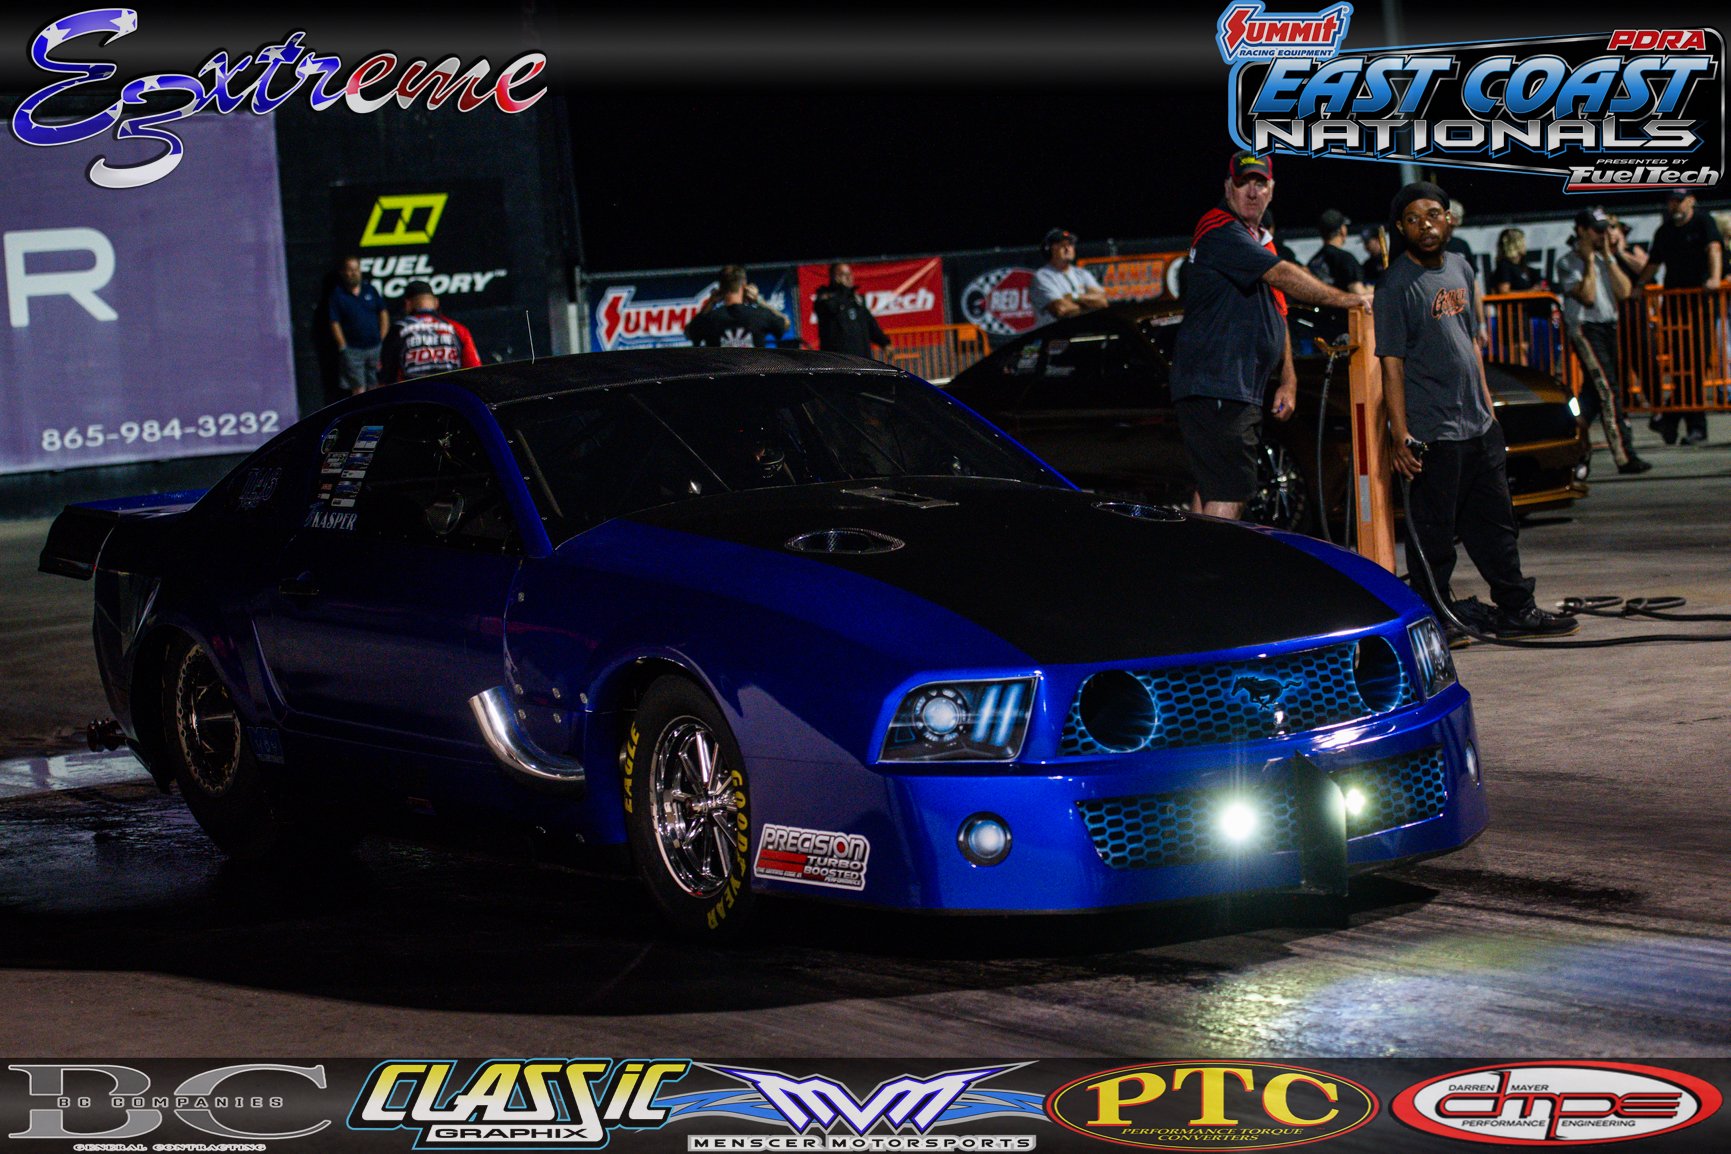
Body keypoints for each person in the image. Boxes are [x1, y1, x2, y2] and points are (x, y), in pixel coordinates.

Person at [1376, 181, 1577, 642]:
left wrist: (1489, 411)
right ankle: (1436, 619)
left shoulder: (1462, 268)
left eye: (1433, 215)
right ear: (1401, 229)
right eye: (1412, 219)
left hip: (1478, 426)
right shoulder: (1394, 285)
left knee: (1496, 527)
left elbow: (1470, 343)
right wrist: (1400, 434)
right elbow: (1391, 364)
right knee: (1435, 536)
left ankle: (1517, 608)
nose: (1425, 225)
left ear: (1448, 219)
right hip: (1433, 431)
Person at [1168, 149, 1373, 520]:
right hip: (1218, 384)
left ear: (1272, 190)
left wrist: (1289, 380)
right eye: (1243, 183)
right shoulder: (1219, 228)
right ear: (1228, 188)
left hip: (1230, 385)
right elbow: (1282, 275)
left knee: (1213, 485)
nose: (1252, 191)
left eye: (1260, 183)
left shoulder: (1258, 240)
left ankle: (1196, 554)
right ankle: (1214, 559)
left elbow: (1278, 311)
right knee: (1230, 489)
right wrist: (1351, 299)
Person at [1555, 206, 1650, 475]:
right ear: (1582, 231)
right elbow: (1587, 296)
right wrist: (1588, 262)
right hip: (1586, 328)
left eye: (1605, 229)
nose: (1602, 235)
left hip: (1608, 326)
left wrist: (1608, 256)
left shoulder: (1605, 259)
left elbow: (1625, 291)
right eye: (1597, 230)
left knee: (1593, 396)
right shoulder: (1567, 262)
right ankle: (1624, 455)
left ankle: (1570, 441)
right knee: (1608, 390)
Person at [1640, 192, 1723, 444]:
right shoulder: (1665, 231)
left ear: (1691, 200)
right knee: (1681, 366)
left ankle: (1676, 418)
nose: (1674, 205)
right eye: (1671, 201)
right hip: (1675, 306)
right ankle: (1677, 420)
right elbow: (1653, 263)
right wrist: (1637, 286)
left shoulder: (1703, 221)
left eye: (1679, 200)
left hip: (1700, 306)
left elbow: (1714, 249)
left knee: (1696, 364)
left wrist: (1714, 278)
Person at [379, 281, 482, 383]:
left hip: (413, 392)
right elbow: (474, 369)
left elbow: (387, 376)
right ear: (436, 303)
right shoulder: (458, 329)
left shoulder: (398, 330)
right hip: (450, 390)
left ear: (408, 304)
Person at [1305, 208, 1370, 347]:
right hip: (1345, 331)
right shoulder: (1345, 258)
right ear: (1342, 230)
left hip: (1319, 332)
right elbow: (1358, 293)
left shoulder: (1313, 262)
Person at [684, 264, 790, 348]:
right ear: (744, 286)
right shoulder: (760, 315)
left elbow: (689, 332)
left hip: (721, 370)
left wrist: (710, 303)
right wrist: (759, 301)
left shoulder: (710, 319)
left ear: (721, 288)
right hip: (754, 370)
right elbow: (785, 324)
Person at [327, 255, 389, 395]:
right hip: (353, 350)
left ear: (360, 271)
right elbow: (334, 322)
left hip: (375, 347)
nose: (352, 273)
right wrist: (343, 346)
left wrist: (382, 337)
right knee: (358, 389)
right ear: (343, 272)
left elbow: (383, 313)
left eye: (355, 270)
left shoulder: (370, 290)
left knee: (375, 385)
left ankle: (377, 408)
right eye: (349, 270)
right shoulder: (337, 295)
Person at [1028, 228, 1108, 328]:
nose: (1067, 248)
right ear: (1049, 249)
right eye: (1062, 245)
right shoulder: (1043, 276)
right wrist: (1089, 306)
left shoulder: (1082, 273)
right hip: (1056, 333)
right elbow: (1062, 309)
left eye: (1070, 245)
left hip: (1083, 331)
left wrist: (1073, 297)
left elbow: (1103, 302)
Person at [812, 263, 891, 357]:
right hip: (839, 357)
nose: (849, 278)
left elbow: (869, 322)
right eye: (844, 274)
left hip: (861, 356)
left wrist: (884, 342)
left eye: (850, 274)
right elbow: (831, 309)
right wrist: (841, 289)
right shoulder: (826, 298)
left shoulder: (854, 298)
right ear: (835, 277)